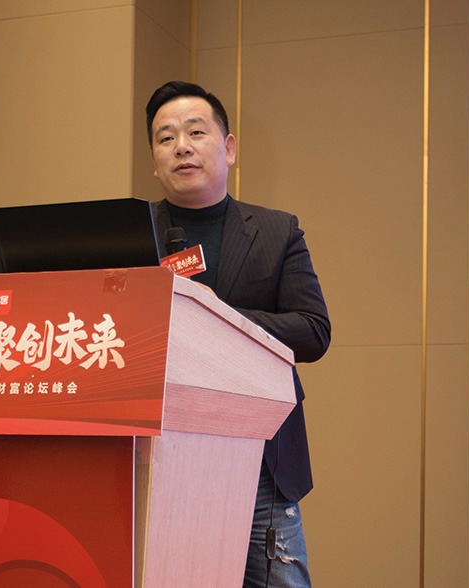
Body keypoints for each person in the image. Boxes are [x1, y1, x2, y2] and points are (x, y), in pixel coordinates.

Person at [145, 80, 331, 588]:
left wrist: (213, 313)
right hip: (157, 457)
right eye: (165, 137)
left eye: (195, 132)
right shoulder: (133, 237)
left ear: (228, 148)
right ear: (154, 161)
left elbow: (313, 331)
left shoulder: (275, 231)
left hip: (259, 459)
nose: (181, 146)